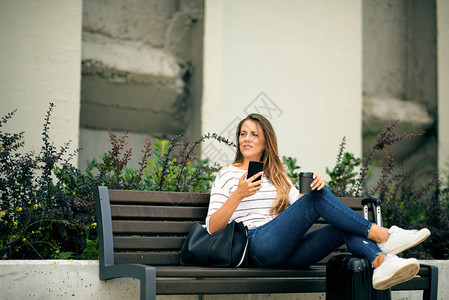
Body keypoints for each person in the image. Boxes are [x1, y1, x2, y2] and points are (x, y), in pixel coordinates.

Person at [205, 113, 430, 290]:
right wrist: (238, 194)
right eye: (243, 133)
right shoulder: (227, 174)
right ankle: (384, 235)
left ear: (266, 141)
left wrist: (315, 185)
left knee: (338, 225)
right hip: (254, 245)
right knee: (317, 198)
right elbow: (213, 227)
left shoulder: (278, 175)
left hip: (285, 251)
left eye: (254, 134)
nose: (246, 138)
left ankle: (381, 263)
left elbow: (300, 207)